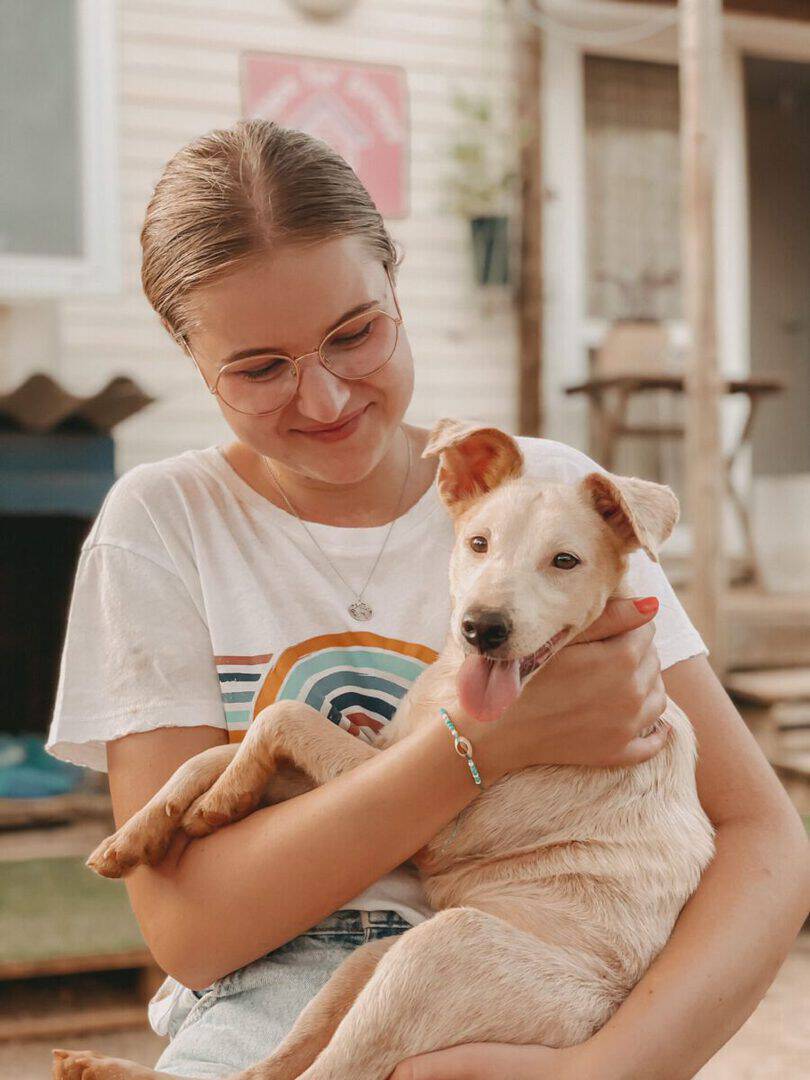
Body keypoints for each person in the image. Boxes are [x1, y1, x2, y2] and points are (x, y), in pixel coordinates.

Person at [47, 120, 809, 1080]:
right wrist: (485, 746)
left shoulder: (555, 501)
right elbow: (192, 934)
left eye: (355, 334)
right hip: (270, 991)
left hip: (546, 975)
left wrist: (605, 1071)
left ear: (397, 290)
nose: (325, 400)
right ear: (192, 359)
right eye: (260, 367)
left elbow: (762, 837)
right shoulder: (163, 525)